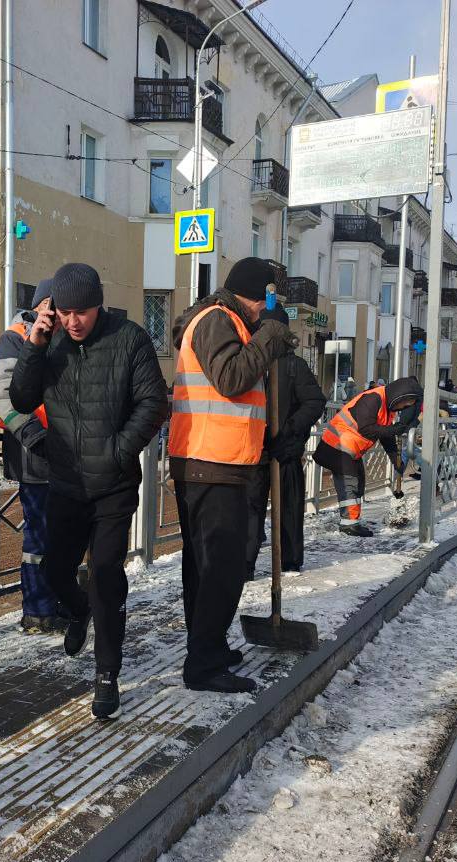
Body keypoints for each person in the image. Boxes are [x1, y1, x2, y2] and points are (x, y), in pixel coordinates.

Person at [9, 263, 167, 720]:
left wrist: (119, 451)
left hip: (113, 485)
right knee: (56, 573)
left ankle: (107, 674)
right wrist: (35, 343)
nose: (74, 321)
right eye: (66, 312)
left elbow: (153, 401)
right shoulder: (50, 339)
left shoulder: (129, 337)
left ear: (99, 306)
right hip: (65, 482)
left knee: (105, 575)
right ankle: (77, 611)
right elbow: (21, 400)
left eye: (83, 312)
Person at [169, 260, 299, 693]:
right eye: (265, 302)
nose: (265, 312)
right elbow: (230, 378)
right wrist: (271, 337)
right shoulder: (216, 321)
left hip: (217, 462)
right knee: (221, 569)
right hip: (211, 464)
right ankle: (203, 665)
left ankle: (207, 647)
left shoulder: (225, 322)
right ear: (255, 295)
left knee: (206, 568)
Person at [0, 279, 66, 633]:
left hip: (66, 453)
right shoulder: (15, 337)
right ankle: (37, 609)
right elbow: (2, 392)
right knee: (40, 535)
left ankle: (59, 601)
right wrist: (34, 435)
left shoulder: (68, 336)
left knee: (63, 534)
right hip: (34, 453)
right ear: (40, 304)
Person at [247, 297, 326, 577]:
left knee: (288, 509)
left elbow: (314, 401)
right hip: (253, 451)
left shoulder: (293, 366)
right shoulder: (249, 363)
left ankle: (289, 561)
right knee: (250, 511)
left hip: (286, 450)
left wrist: (291, 430)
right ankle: (245, 565)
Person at [314, 377, 423, 537]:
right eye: (405, 403)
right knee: (350, 483)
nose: (404, 407)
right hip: (337, 444)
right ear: (399, 396)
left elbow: (386, 438)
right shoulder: (373, 399)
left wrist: (396, 462)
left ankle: (351, 521)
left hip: (349, 449)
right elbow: (366, 429)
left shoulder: (387, 409)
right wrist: (393, 430)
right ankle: (349, 525)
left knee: (358, 482)